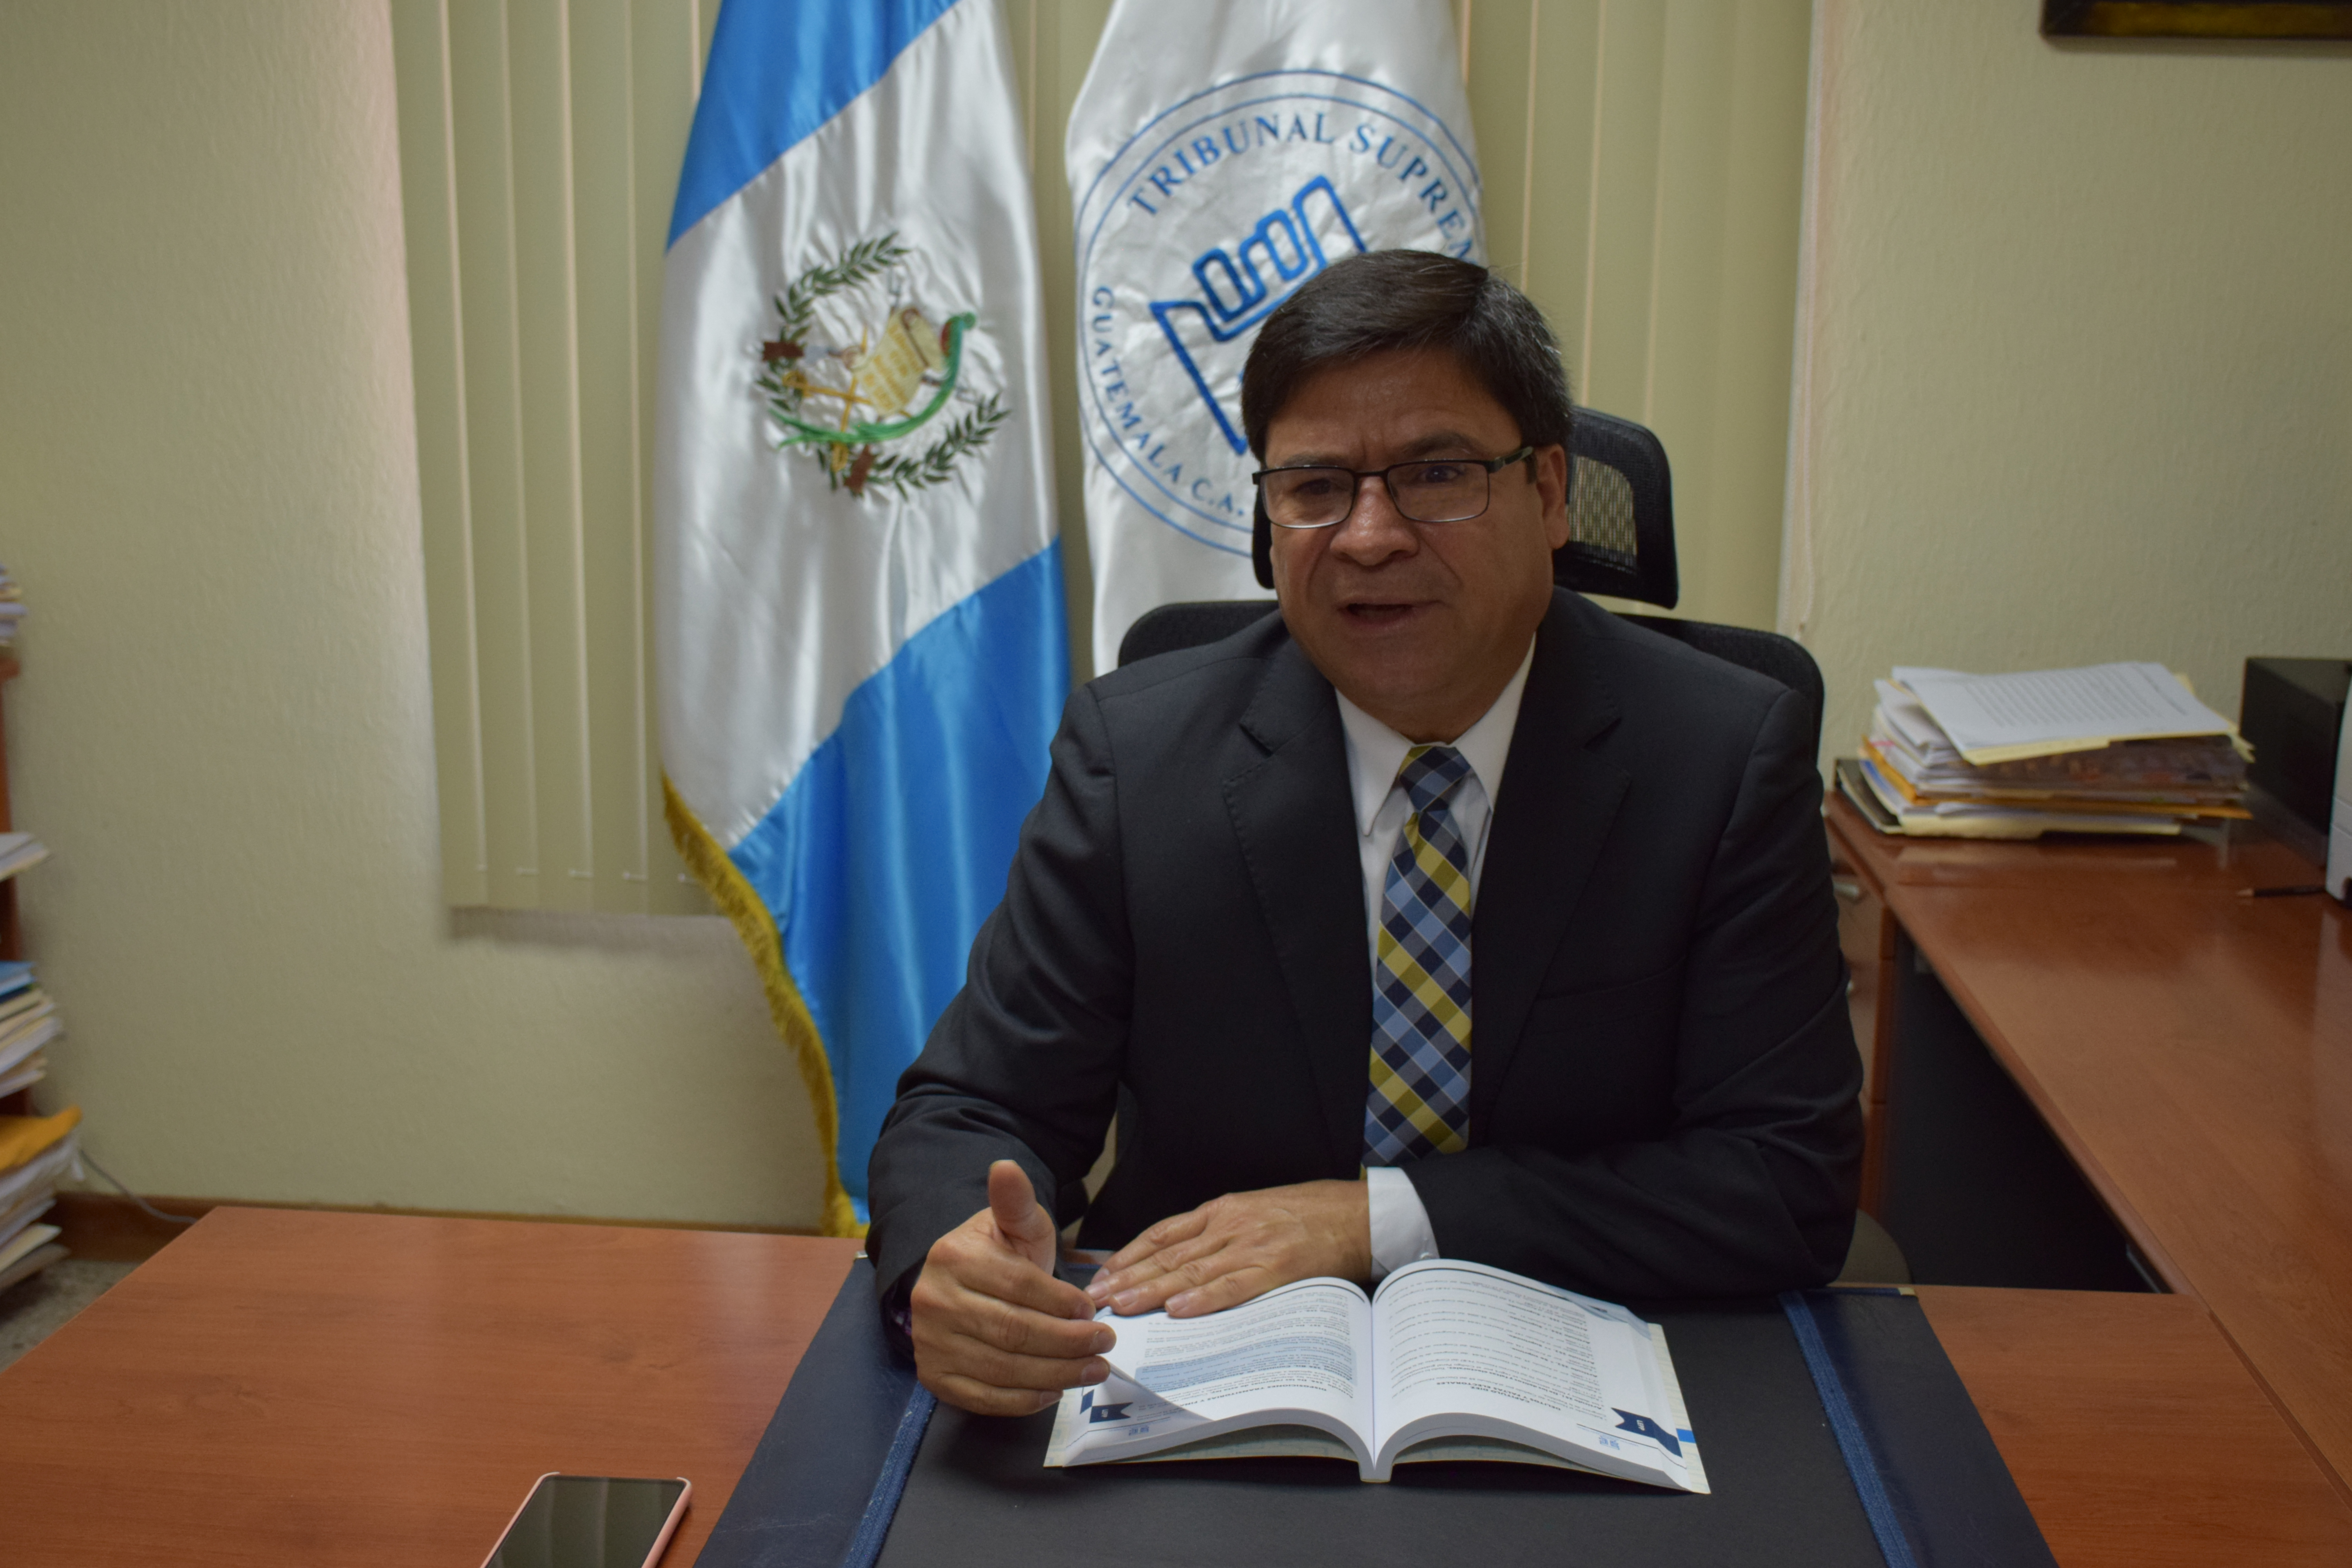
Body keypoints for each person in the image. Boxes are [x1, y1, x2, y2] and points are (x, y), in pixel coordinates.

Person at [865, 250, 1862, 1418]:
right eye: (1316, 485)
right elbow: (977, 1110)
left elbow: (1783, 1183)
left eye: (1437, 474)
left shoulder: (1723, 755)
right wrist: (959, 1260)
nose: (1371, 536)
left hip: (1595, 1385)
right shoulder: (1138, 754)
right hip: (1200, 1384)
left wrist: (1377, 1219)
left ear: (1550, 494)